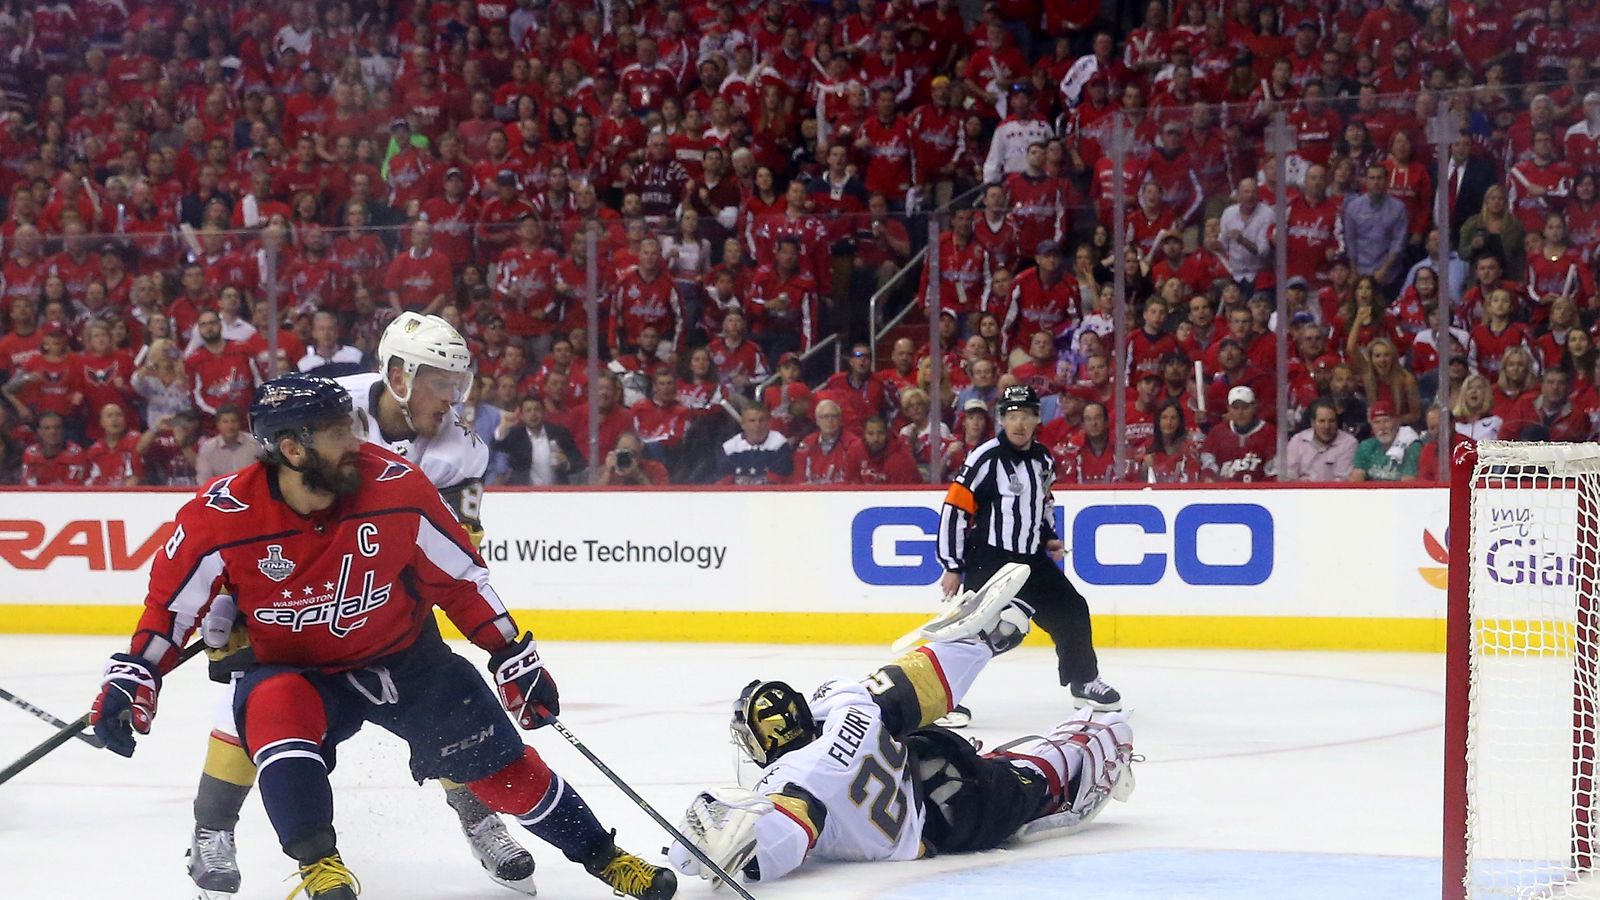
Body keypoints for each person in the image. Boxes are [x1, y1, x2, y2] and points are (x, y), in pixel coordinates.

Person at [87, 374, 676, 900]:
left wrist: (510, 655)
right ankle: (319, 866)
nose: (357, 442)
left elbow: (463, 579)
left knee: (503, 772)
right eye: (339, 432)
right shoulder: (219, 517)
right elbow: (167, 611)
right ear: (293, 449)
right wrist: (134, 677)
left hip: (406, 659)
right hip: (298, 670)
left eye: (352, 425)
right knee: (271, 707)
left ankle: (604, 855)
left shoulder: (396, 488)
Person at [181, 313, 532, 897]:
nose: (452, 398)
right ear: (399, 376)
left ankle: (480, 819)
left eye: (457, 383)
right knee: (254, 703)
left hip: (384, 601)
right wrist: (229, 596)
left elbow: (458, 541)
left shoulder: (463, 450)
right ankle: (211, 828)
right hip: (297, 584)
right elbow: (259, 496)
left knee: (438, 705)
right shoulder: (328, 406)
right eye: (438, 382)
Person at [665, 579, 1133, 886]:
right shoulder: (846, 703)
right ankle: (1076, 740)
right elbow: (918, 683)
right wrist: (983, 643)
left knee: (1065, 763)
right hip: (933, 761)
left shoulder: (791, 786)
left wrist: (722, 852)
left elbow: (784, 840)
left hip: (951, 821)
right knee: (1031, 754)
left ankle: (1098, 745)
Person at [935, 384, 1120, 723]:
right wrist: (952, 565)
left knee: (1072, 609)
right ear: (1001, 419)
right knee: (974, 630)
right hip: (989, 558)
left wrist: (1048, 537)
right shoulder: (985, 458)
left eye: (1025, 416)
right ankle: (940, 700)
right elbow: (955, 509)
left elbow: (1042, 503)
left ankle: (1083, 680)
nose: (1018, 424)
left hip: (1031, 559)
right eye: (1011, 416)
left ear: (1037, 418)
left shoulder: (1043, 459)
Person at [491, 392, 582, 486]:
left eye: (537, 410)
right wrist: (503, 426)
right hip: (523, 494)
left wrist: (566, 463)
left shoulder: (559, 433)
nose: (533, 414)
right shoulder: (516, 435)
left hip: (556, 493)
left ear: (544, 413)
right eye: (528, 410)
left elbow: (579, 461)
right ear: (522, 415)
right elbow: (497, 445)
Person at [1200, 386, 1278, 482]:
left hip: (1258, 493)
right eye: (1235, 408)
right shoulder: (1217, 432)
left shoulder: (1269, 432)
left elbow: (1273, 471)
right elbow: (1208, 466)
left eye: (1245, 407)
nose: (1240, 412)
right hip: (1224, 493)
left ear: (1254, 406)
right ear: (1228, 408)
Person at [1283, 400, 1359, 482]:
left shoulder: (1349, 443)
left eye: (1331, 421)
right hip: (1301, 493)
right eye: (1322, 421)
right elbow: (1288, 475)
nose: (1327, 426)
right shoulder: (1298, 440)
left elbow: (1343, 481)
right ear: (1313, 423)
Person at [1349, 401, 1422, 481]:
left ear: (1397, 422)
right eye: (1377, 422)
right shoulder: (1366, 446)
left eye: (1386, 421)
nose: (1382, 427)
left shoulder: (1411, 446)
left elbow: (1408, 482)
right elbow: (1356, 480)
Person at [195, 404, 258, 481]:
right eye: (225, 422)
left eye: (233, 421)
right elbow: (203, 480)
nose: (230, 426)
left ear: (240, 423)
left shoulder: (256, 444)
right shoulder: (208, 449)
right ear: (218, 424)